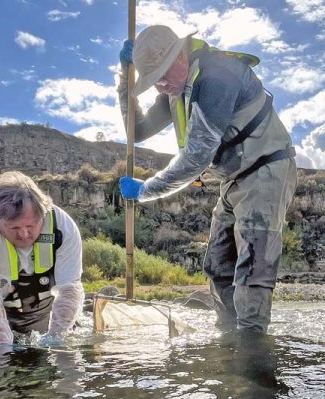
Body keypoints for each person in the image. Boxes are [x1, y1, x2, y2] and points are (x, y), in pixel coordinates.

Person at [117, 25, 297, 334]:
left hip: (266, 171)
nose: (160, 86)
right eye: (153, 80)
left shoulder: (216, 77)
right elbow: (137, 130)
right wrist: (125, 76)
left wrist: (146, 190)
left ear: (179, 56)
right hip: (233, 180)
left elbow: (197, 157)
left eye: (161, 75)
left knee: (252, 271)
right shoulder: (176, 88)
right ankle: (229, 340)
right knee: (217, 265)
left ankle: (252, 357)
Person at [0, 171, 84, 345]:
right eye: (13, 227)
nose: (24, 234)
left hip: (43, 310)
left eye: (31, 225)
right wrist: (0, 349)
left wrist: (56, 340)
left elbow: (69, 290)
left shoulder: (64, 226)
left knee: (61, 344)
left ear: (42, 215)